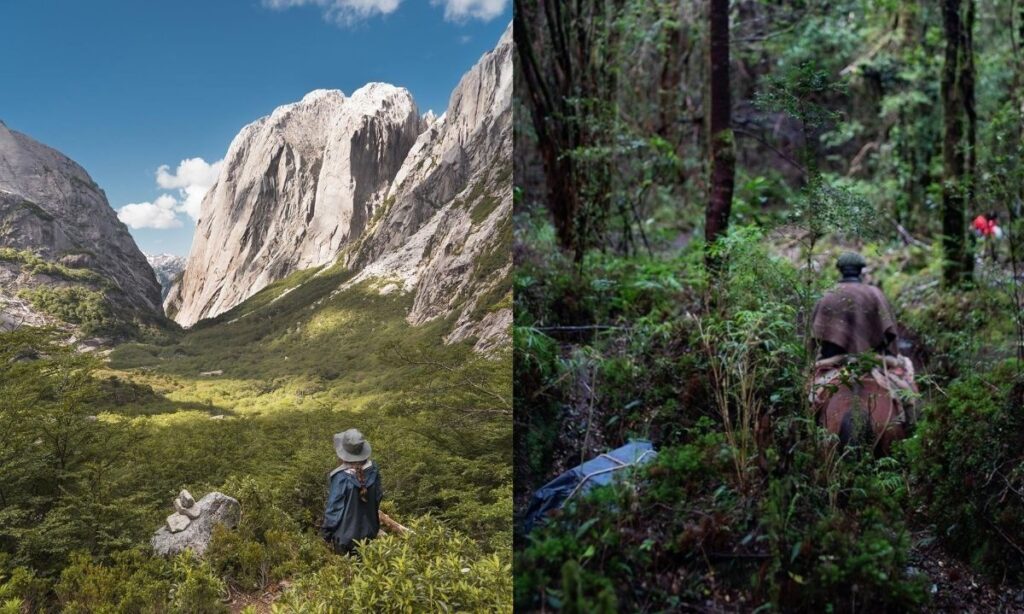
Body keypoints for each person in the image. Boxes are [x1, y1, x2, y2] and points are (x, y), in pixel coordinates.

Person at [811, 252, 898, 359]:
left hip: (831, 355)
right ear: (861, 270)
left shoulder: (827, 295)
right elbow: (889, 330)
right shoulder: (875, 293)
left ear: (840, 270)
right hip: (871, 356)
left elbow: (816, 332)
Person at [319, 428, 383, 554]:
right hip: (370, 535)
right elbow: (378, 498)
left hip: (345, 540)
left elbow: (333, 512)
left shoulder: (341, 477)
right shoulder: (374, 471)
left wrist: (325, 535)